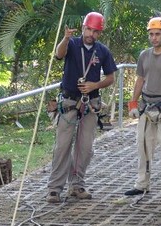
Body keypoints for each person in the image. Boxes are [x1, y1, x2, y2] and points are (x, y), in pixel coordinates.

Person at [47, 12, 117, 203]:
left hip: (90, 103)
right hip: (69, 102)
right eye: (89, 29)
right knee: (62, 146)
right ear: (83, 27)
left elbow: (111, 77)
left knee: (85, 148)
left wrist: (95, 85)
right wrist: (65, 38)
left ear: (99, 33)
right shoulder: (72, 44)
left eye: (95, 31)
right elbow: (59, 55)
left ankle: (76, 185)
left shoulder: (102, 51)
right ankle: (54, 188)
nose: (91, 34)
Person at [125, 17, 161, 202]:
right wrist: (133, 103)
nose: (154, 38)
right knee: (143, 146)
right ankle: (142, 184)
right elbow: (140, 80)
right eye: (151, 34)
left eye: (158, 34)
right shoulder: (144, 55)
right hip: (147, 106)